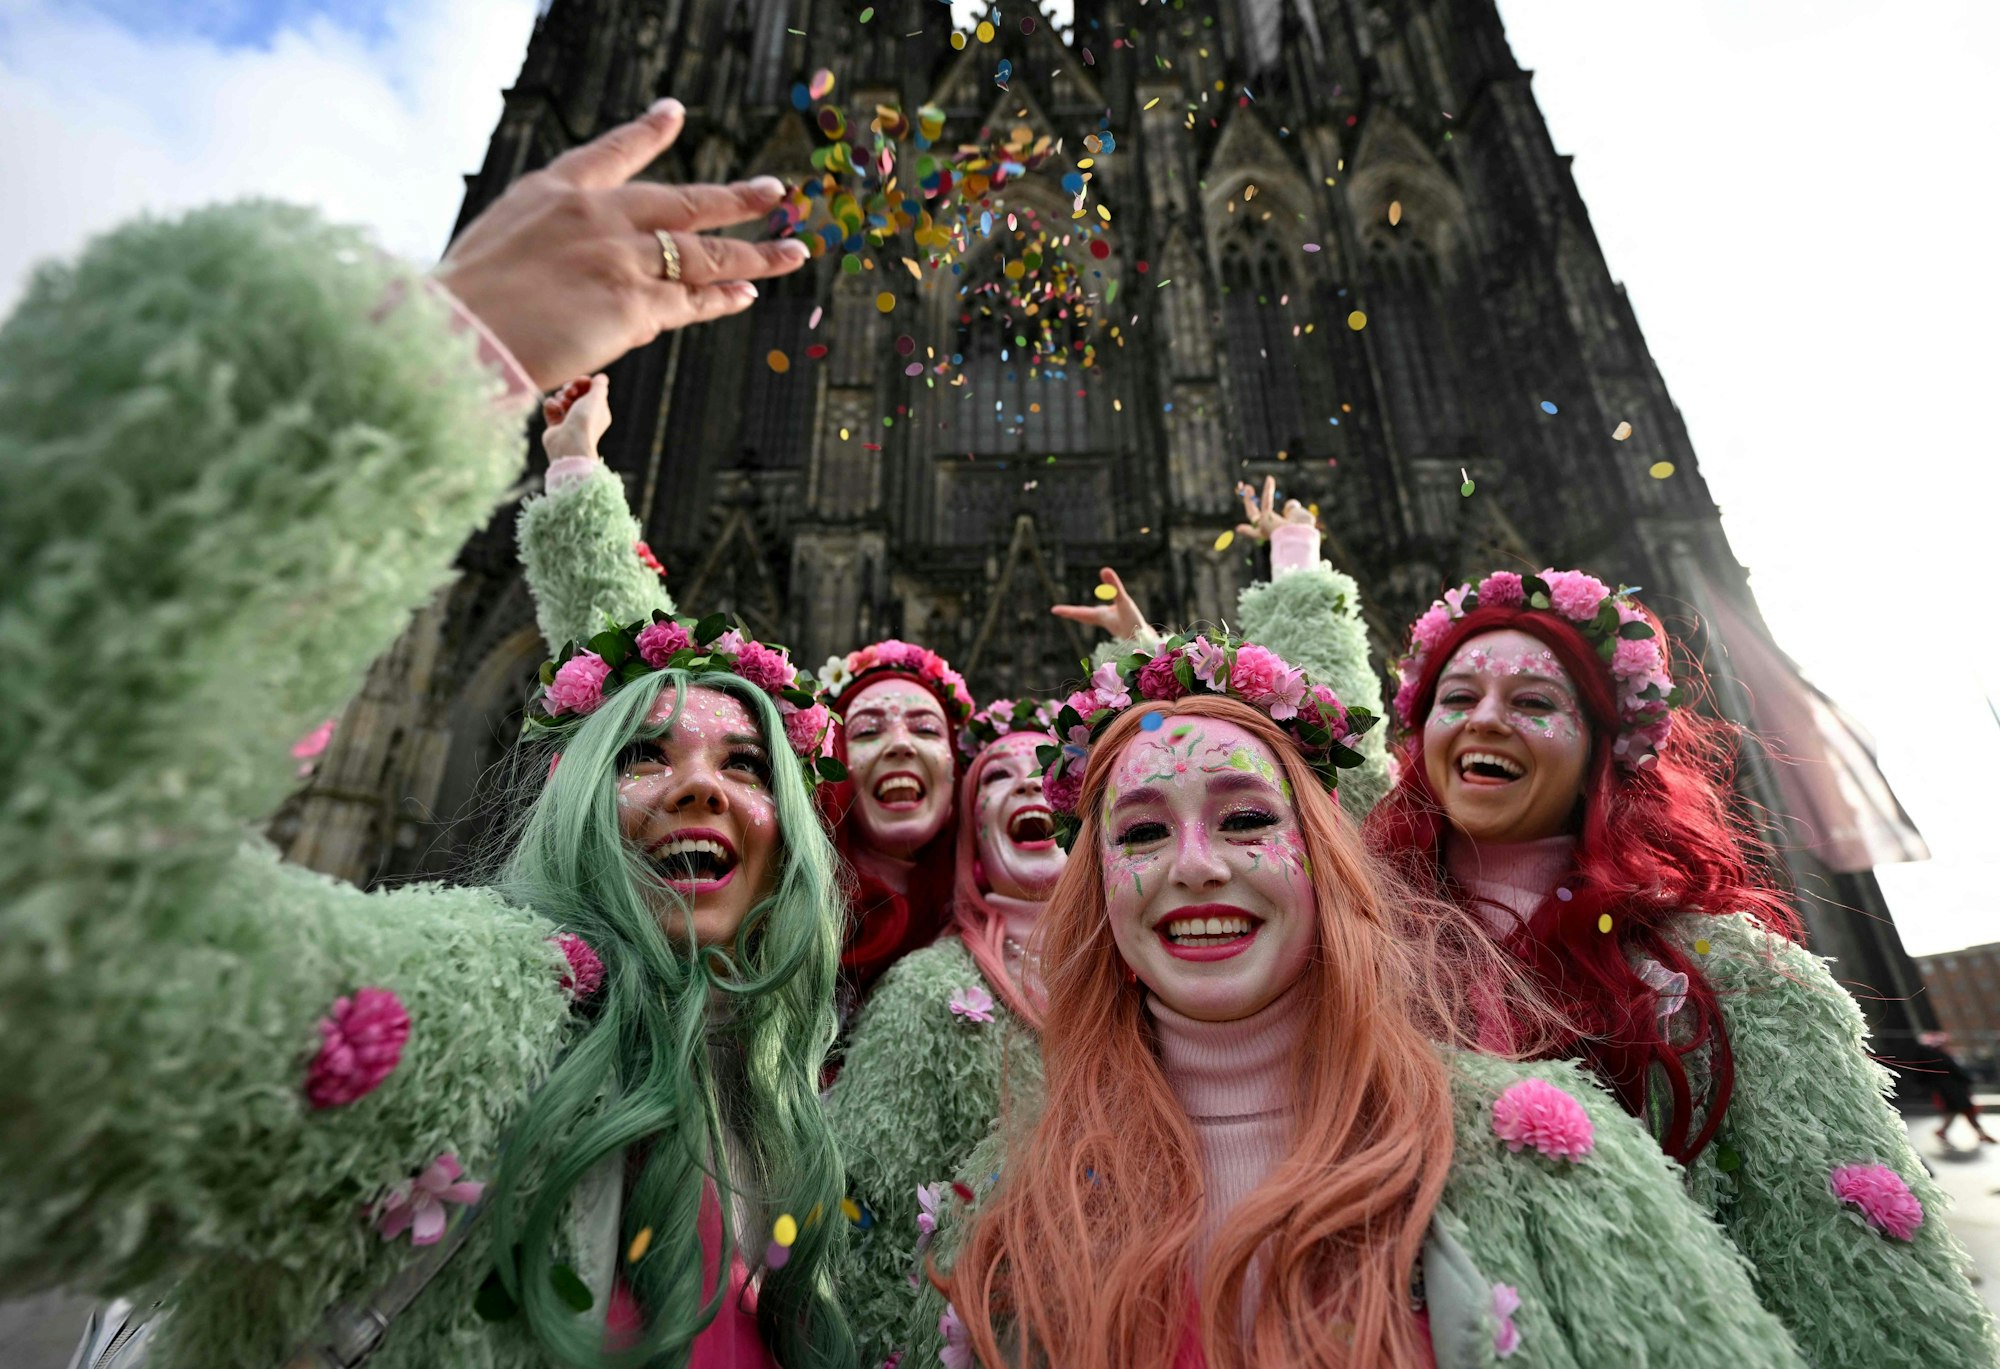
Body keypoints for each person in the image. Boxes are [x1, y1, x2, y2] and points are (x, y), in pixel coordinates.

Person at [2, 100, 860, 1369]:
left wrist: (576, 494)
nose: (702, 787)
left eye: (748, 765)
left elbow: (630, 667)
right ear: (570, 794)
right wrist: (449, 358)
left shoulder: (780, 1122)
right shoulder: (477, 1022)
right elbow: (52, 959)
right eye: (644, 754)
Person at [1224, 480, 1998, 1367]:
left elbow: (1861, 1264)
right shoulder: (1375, 914)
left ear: (1603, 744)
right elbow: (1331, 743)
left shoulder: (1736, 980)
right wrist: (1293, 562)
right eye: (1458, 694)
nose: (1486, 718)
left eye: (1535, 703)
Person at [902, 636, 1806, 1369]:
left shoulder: (1540, 1156)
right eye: (1139, 831)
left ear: (1327, 862)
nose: (1193, 863)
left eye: (1249, 818)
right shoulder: (1011, 1195)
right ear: (1097, 888)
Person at [513, 380, 974, 1003]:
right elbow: (645, 678)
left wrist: (1141, 667)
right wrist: (574, 469)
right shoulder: (745, 901)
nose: (897, 743)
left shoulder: (1000, 934)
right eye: (866, 729)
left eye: (925, 729)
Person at [822, 697, 1063, 1366]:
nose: (1031, 782)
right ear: (974, 840)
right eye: (996, 776)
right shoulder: (928, 988)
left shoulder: (1162, 974)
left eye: (1055, 767)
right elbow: (860, 1220)